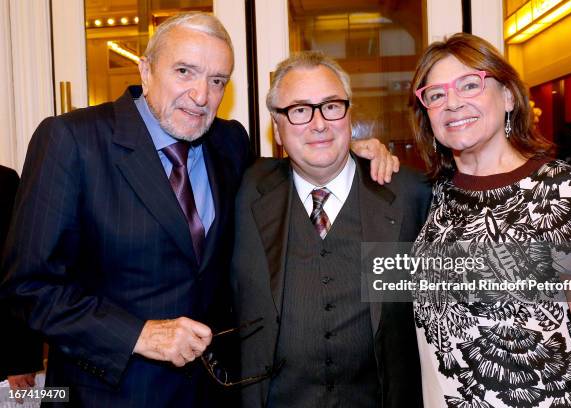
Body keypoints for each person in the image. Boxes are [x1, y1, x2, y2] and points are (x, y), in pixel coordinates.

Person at [0, 12, 398, 407]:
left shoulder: (229, 144)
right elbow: (28, 288)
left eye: (217, 80)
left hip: (214, 393)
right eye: (185, 72)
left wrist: (348, 155)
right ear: (146, 70)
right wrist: (138, 334)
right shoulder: (72, 141)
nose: (201, 95)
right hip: (111, 394)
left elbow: (294, 169)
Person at [409, 33, 571, 408]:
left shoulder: (567, 194)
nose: (452, 102)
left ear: (507, 97)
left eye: (470, 84)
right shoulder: (434, 195)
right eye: (435, 94)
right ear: (427, 114)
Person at [230, 51, 431, 408]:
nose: (319, 123)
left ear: (349, 114)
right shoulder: (246, 188)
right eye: (300, 110)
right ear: (276, 127)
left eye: (331, 106)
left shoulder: (407, 195)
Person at [0, 165, 44, 390]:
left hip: (5, 365)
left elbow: (22, 270)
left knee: (58, 397)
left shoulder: (4, 181)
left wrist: (20, 360)